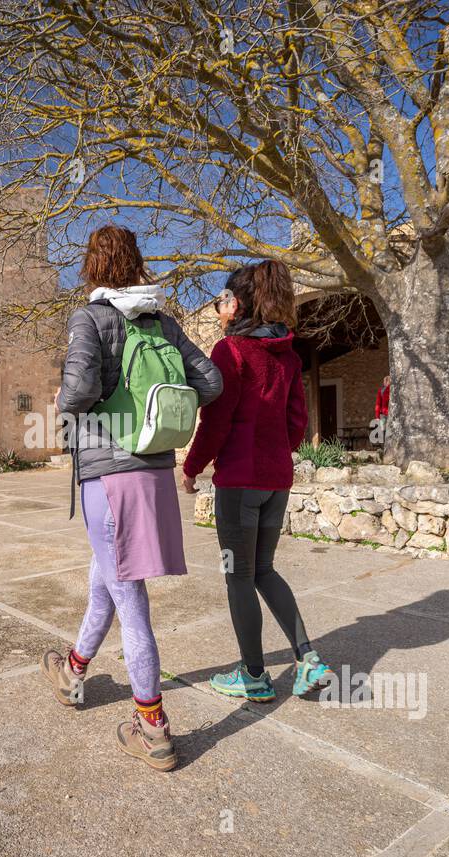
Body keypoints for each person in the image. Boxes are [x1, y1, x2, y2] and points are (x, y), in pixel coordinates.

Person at [41, 224, 222, 772]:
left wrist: (69, 400)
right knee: (108, 576)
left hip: (109, 475)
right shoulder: (163, 322)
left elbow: (76, 393)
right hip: (153, 471)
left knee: (130, 600)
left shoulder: (90, 318)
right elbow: (210, 383)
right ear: (137, 262)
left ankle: (153, 728)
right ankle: (73, 670)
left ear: (92, 265)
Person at [181, 260, 331, 701]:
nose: (219, 306)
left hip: (239, 487)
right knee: (263, 568)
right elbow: (297, 422)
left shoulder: (231, 352)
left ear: (240, 303)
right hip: (276, 482)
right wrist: (271, 453)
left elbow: (217, 421)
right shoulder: (288, 355)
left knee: (237, 575)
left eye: (223, 298)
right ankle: (308, 658)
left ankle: (253, 675)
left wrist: (192, 468)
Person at [374, 373, 391, 443]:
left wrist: (377, 416)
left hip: (383, 414)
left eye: (384, 382)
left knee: (383, 432)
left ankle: (385, 449)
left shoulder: (381, 391)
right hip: (391, 414)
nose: (383, 383)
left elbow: (378, 404)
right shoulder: (394, 390)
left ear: (386, 381)